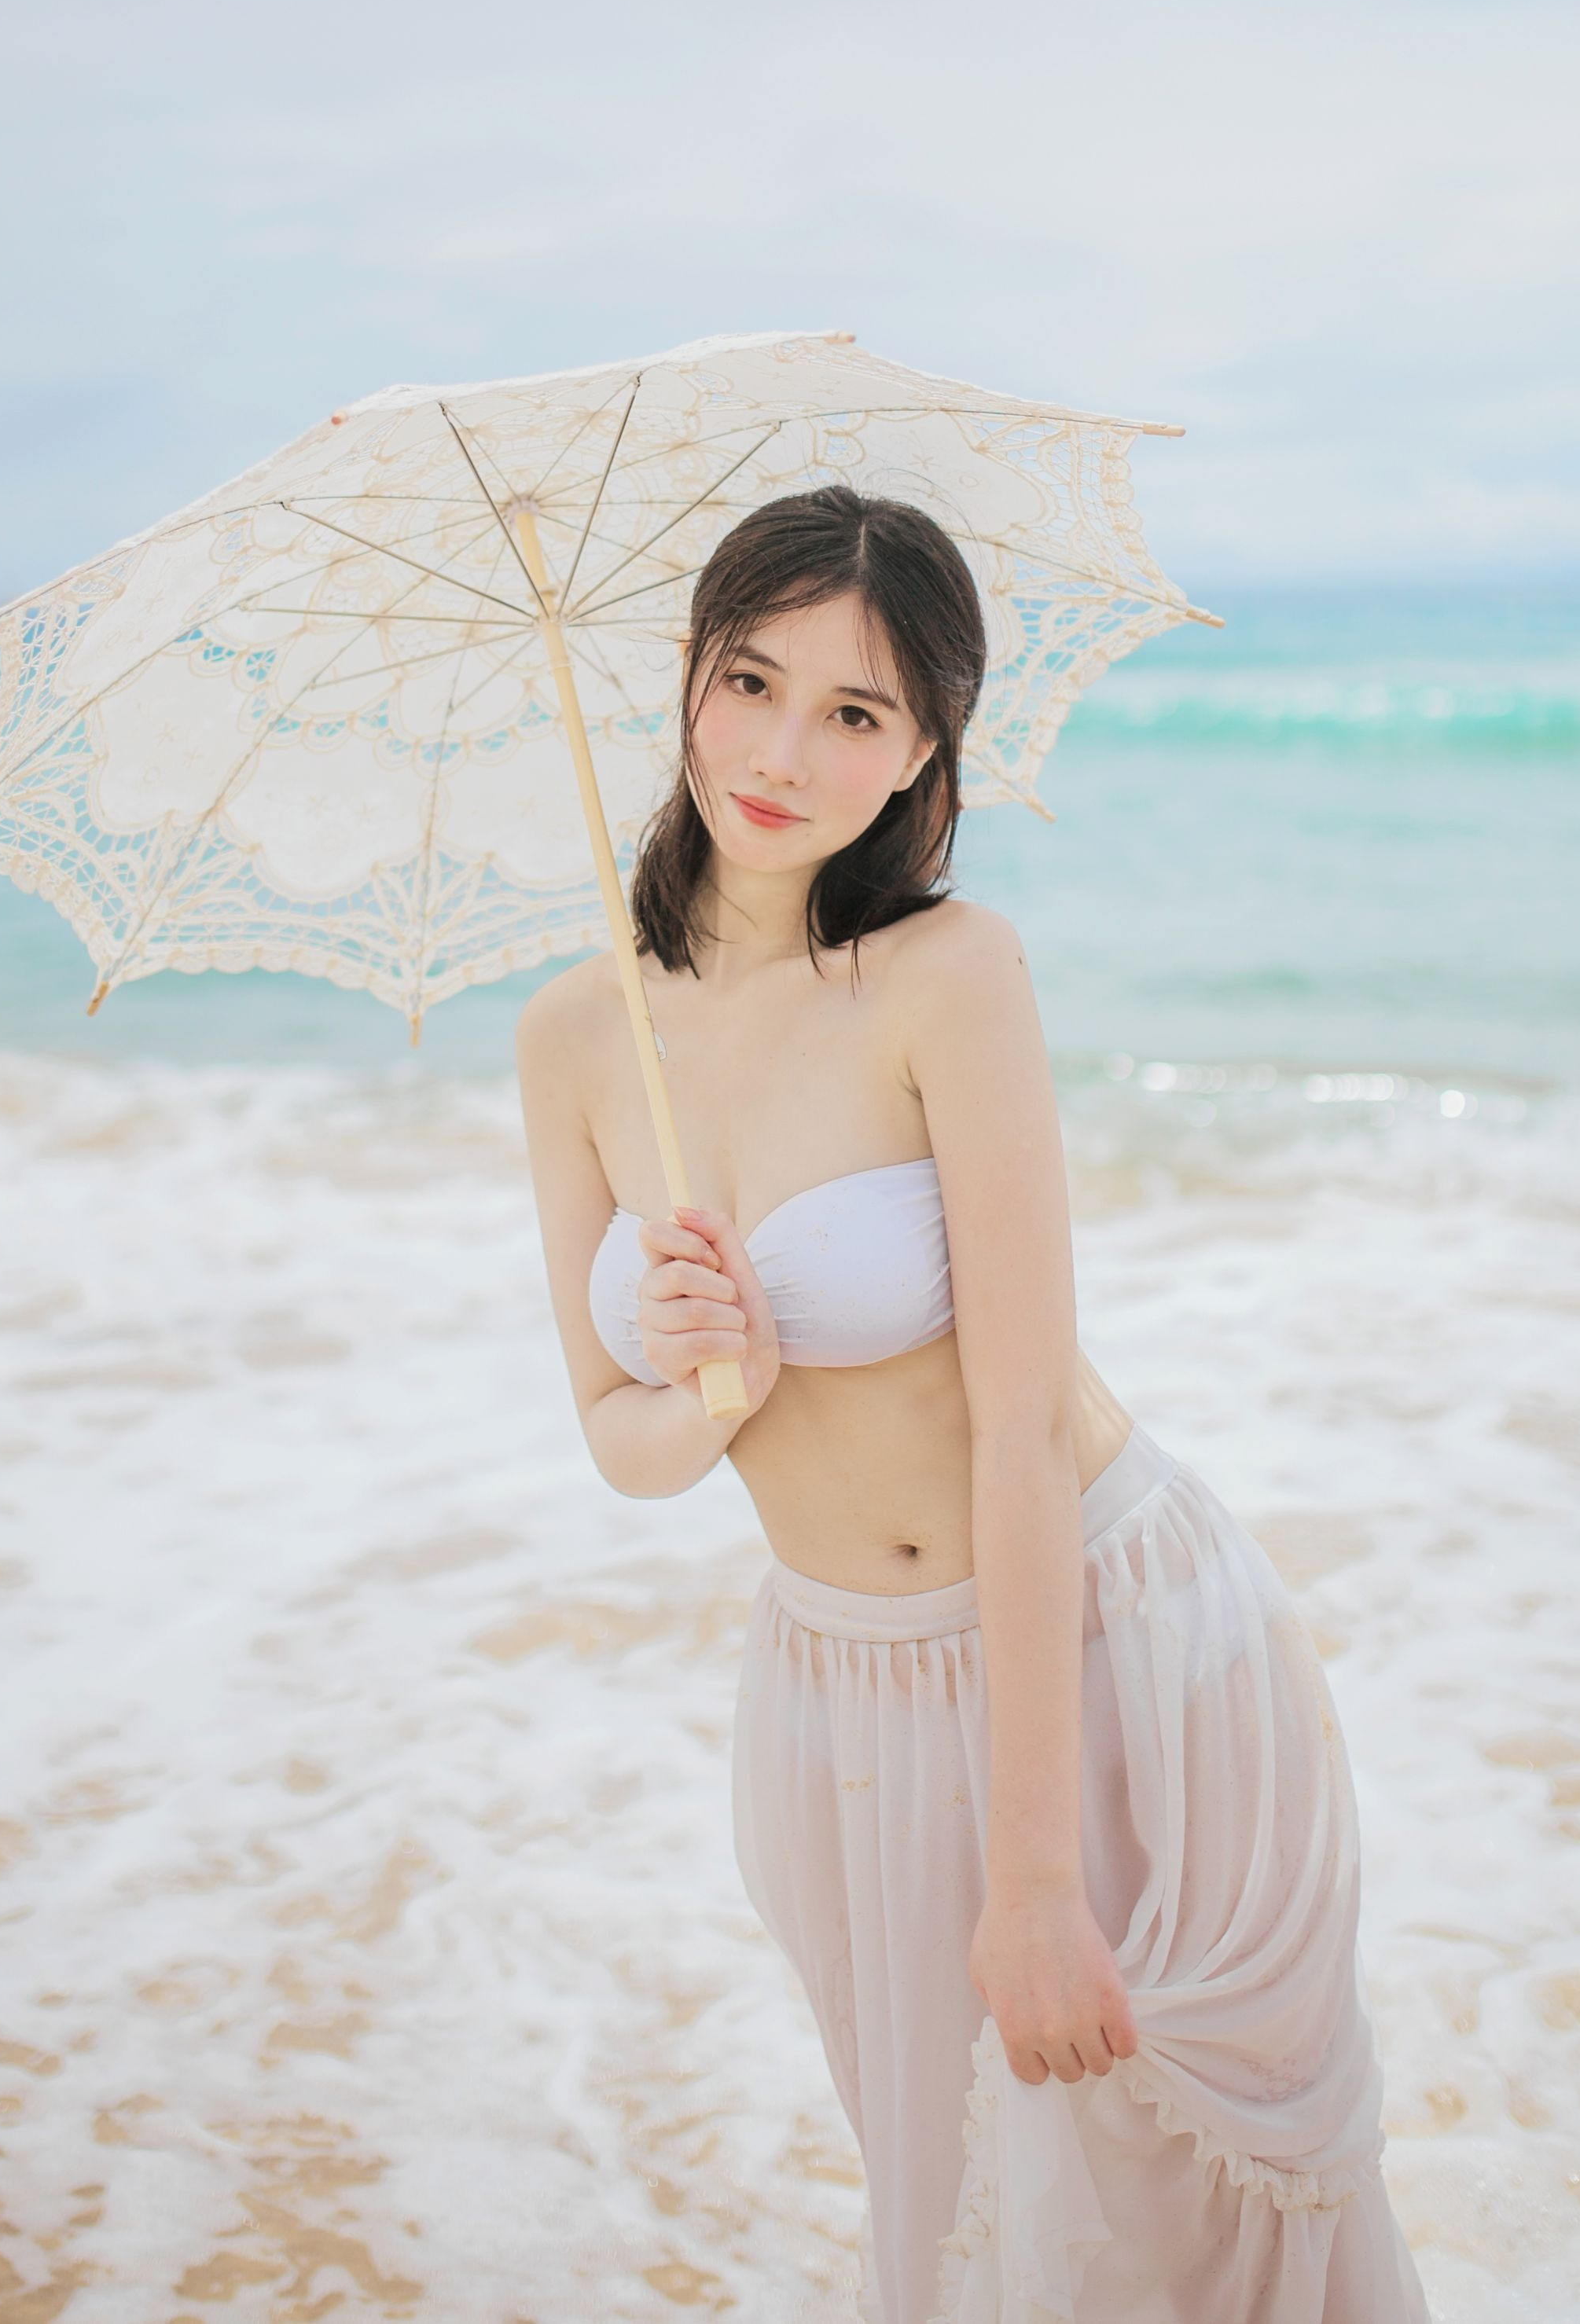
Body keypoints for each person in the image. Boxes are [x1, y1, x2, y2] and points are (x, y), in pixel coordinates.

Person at [515, 484, 1429, 2324]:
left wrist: (1034, 1880)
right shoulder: (573, 1033)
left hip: (1096, 1648)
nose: (782, 751)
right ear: (685, 679)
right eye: (749, 679)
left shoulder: (946, 973)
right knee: (976, 2239)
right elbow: (617, 1438)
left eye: (853, 712)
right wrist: (717, 1389)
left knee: (1191, 2235)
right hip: (836, 1696)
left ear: (927, 748)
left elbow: (1014, 1423)